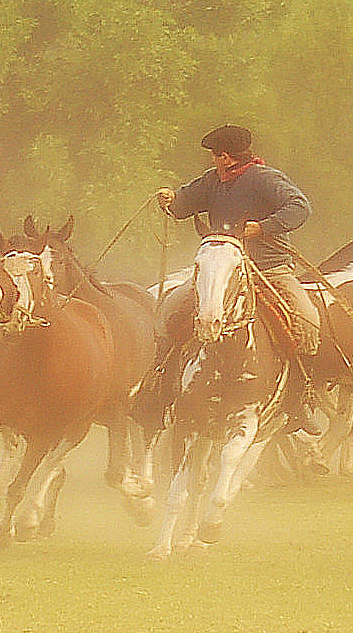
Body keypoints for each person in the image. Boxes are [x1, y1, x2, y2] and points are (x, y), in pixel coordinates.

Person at [136, 123, 326, 434]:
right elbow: (185, 202)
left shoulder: (267, 179)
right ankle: (157, 387)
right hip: (221, 267)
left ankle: (298, 399)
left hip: (268, 267)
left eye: (214, 155)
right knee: (170, 309)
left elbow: (300, 207)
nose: (212, 160)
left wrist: (264, 227)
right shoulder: (214, 181)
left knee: (307, 321)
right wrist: (171, 199)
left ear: (226, 156)